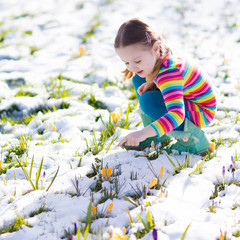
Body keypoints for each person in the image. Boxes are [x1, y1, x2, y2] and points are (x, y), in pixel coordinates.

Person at [114, 18, 217, 155]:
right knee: (139, 77)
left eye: (137, 61)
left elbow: (176, 115)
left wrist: (142, 133)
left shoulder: (169, 72)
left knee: (149, 101)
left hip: (200, 111)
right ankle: (158, 135)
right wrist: (153, 82)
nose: (132, 67)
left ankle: (195, 141)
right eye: (126, 62)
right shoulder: (160, 54)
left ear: (155, 49)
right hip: (187, 101)